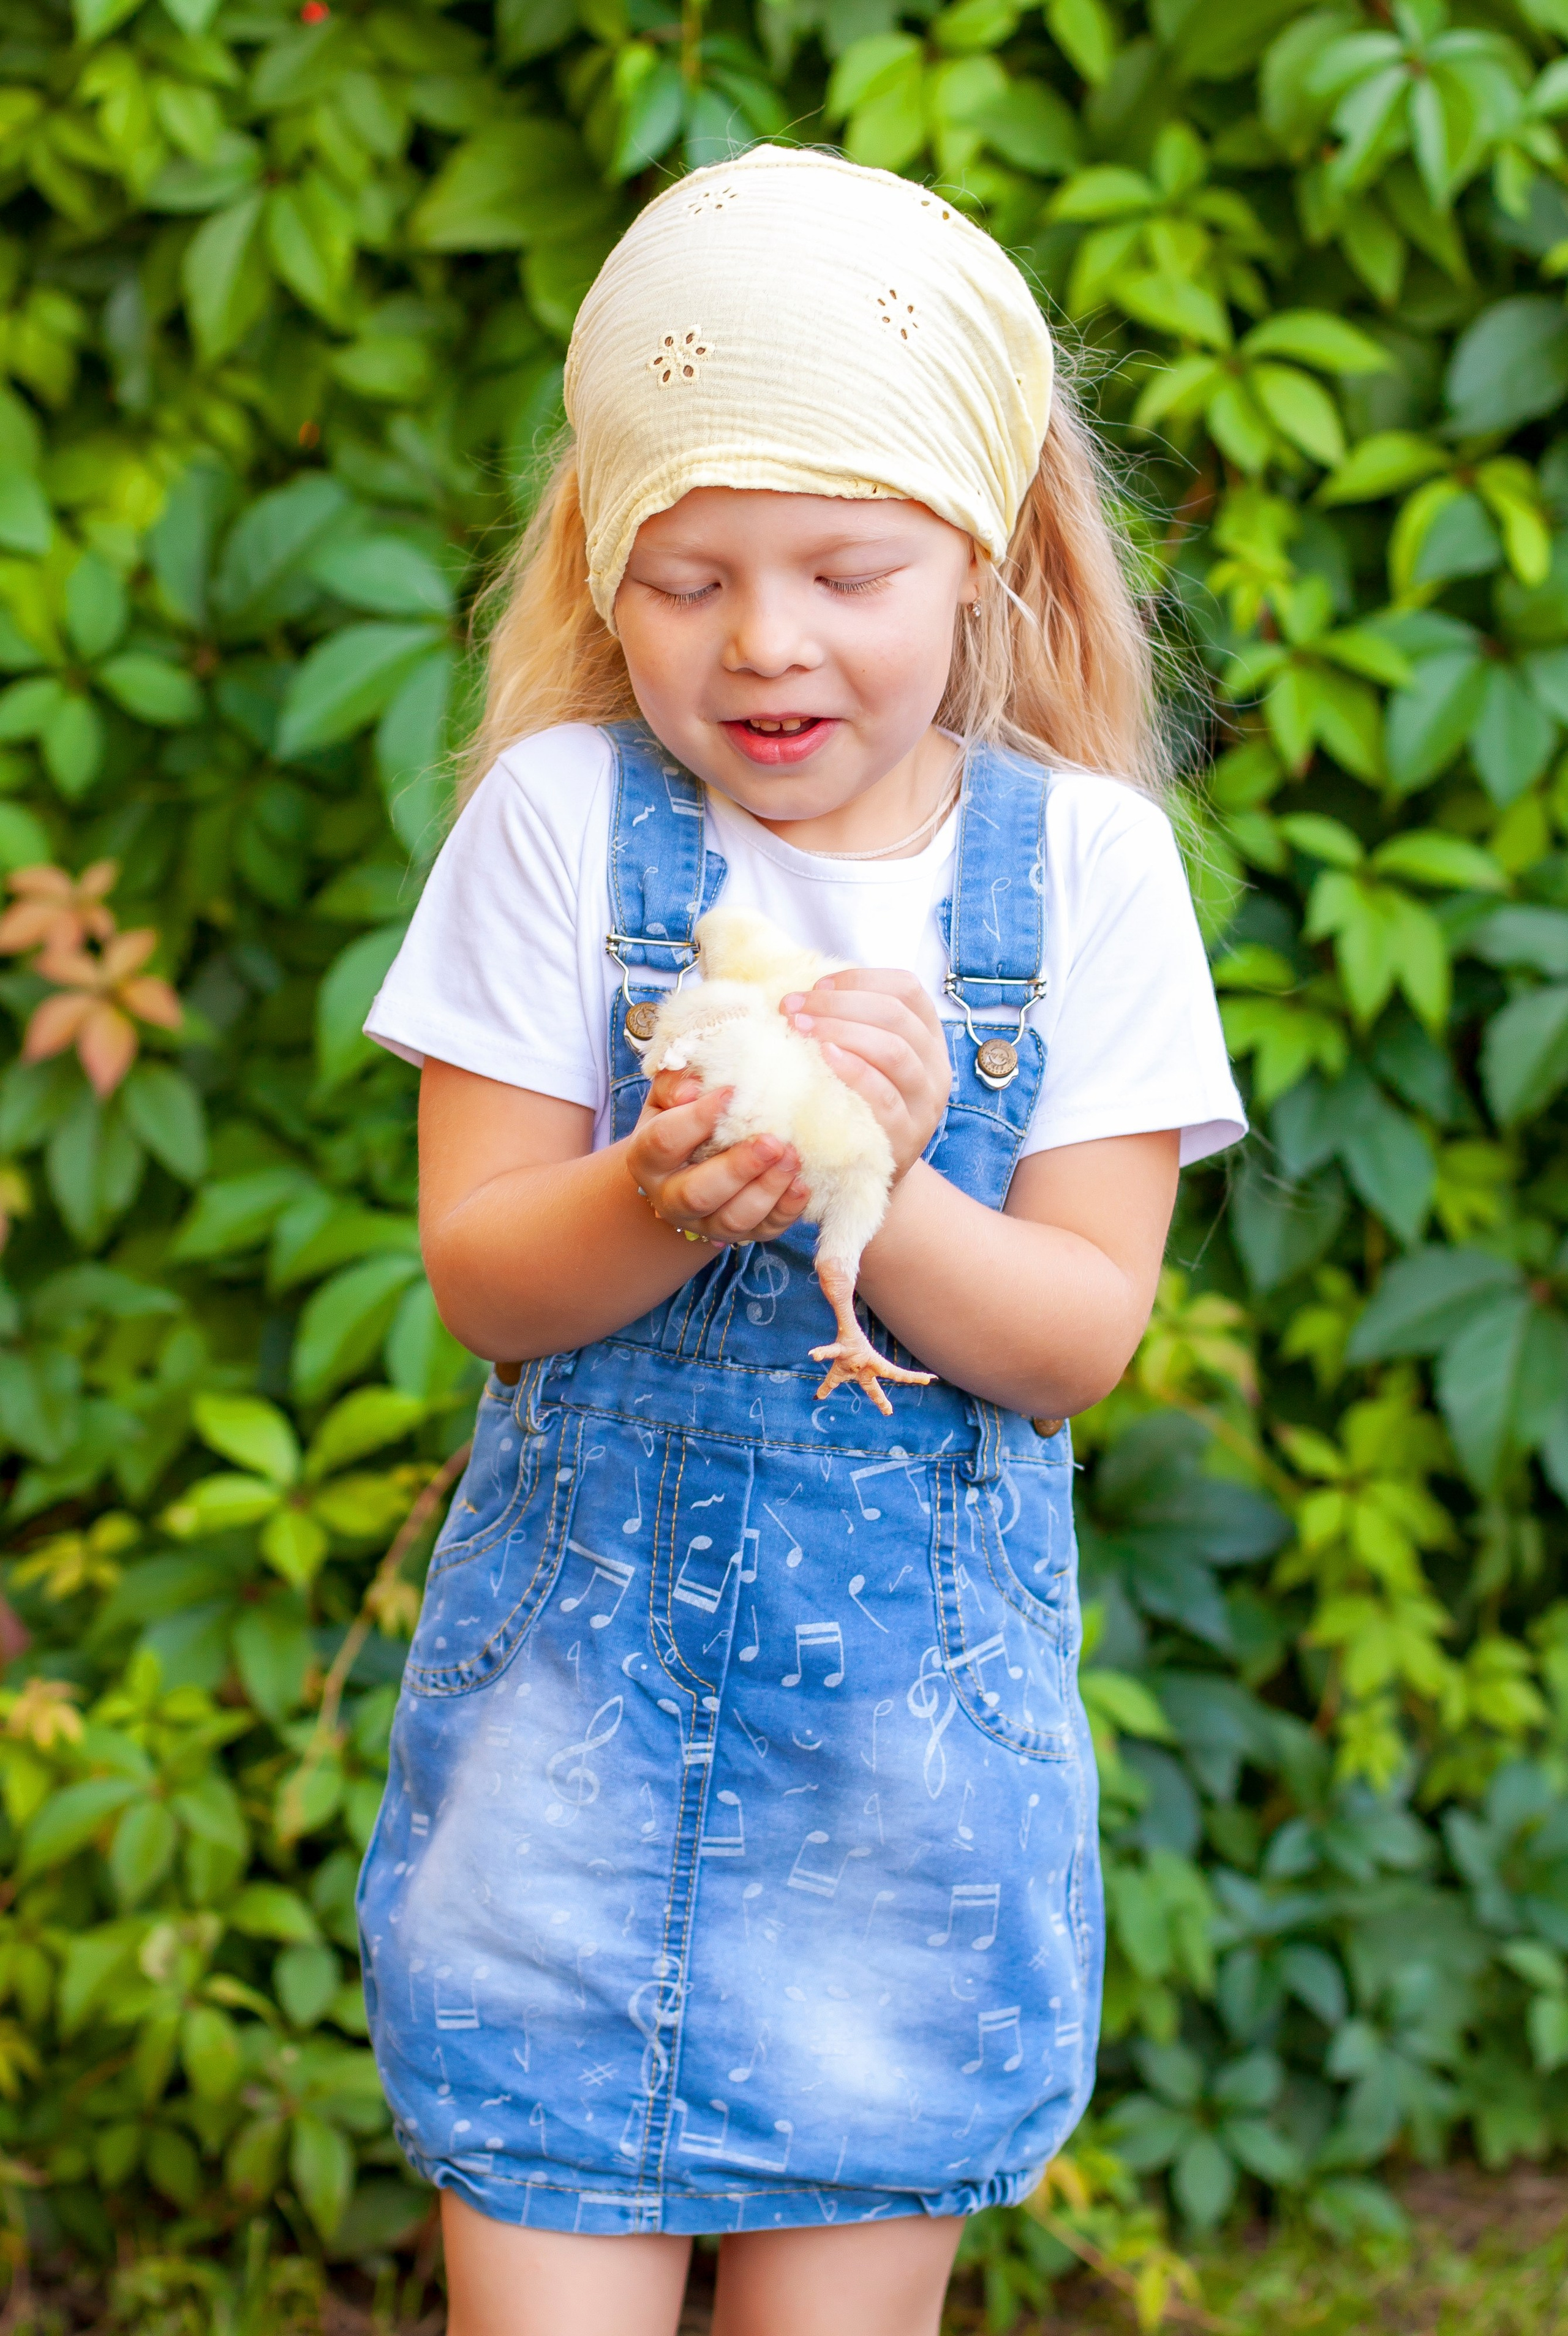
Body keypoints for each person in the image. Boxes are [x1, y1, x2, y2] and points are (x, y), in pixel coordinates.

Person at [356, 145, 1245, 2336]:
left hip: (897, 1821)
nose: (766, 639)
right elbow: (483, 1278)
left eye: (847, 570)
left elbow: (1072, 1341)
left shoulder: (1088, 873)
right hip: (567, 1780)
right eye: (688, 579)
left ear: (981, 553)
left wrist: (893, 1184)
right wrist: (658, 1192)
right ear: (603, 567)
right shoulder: (559, 824)